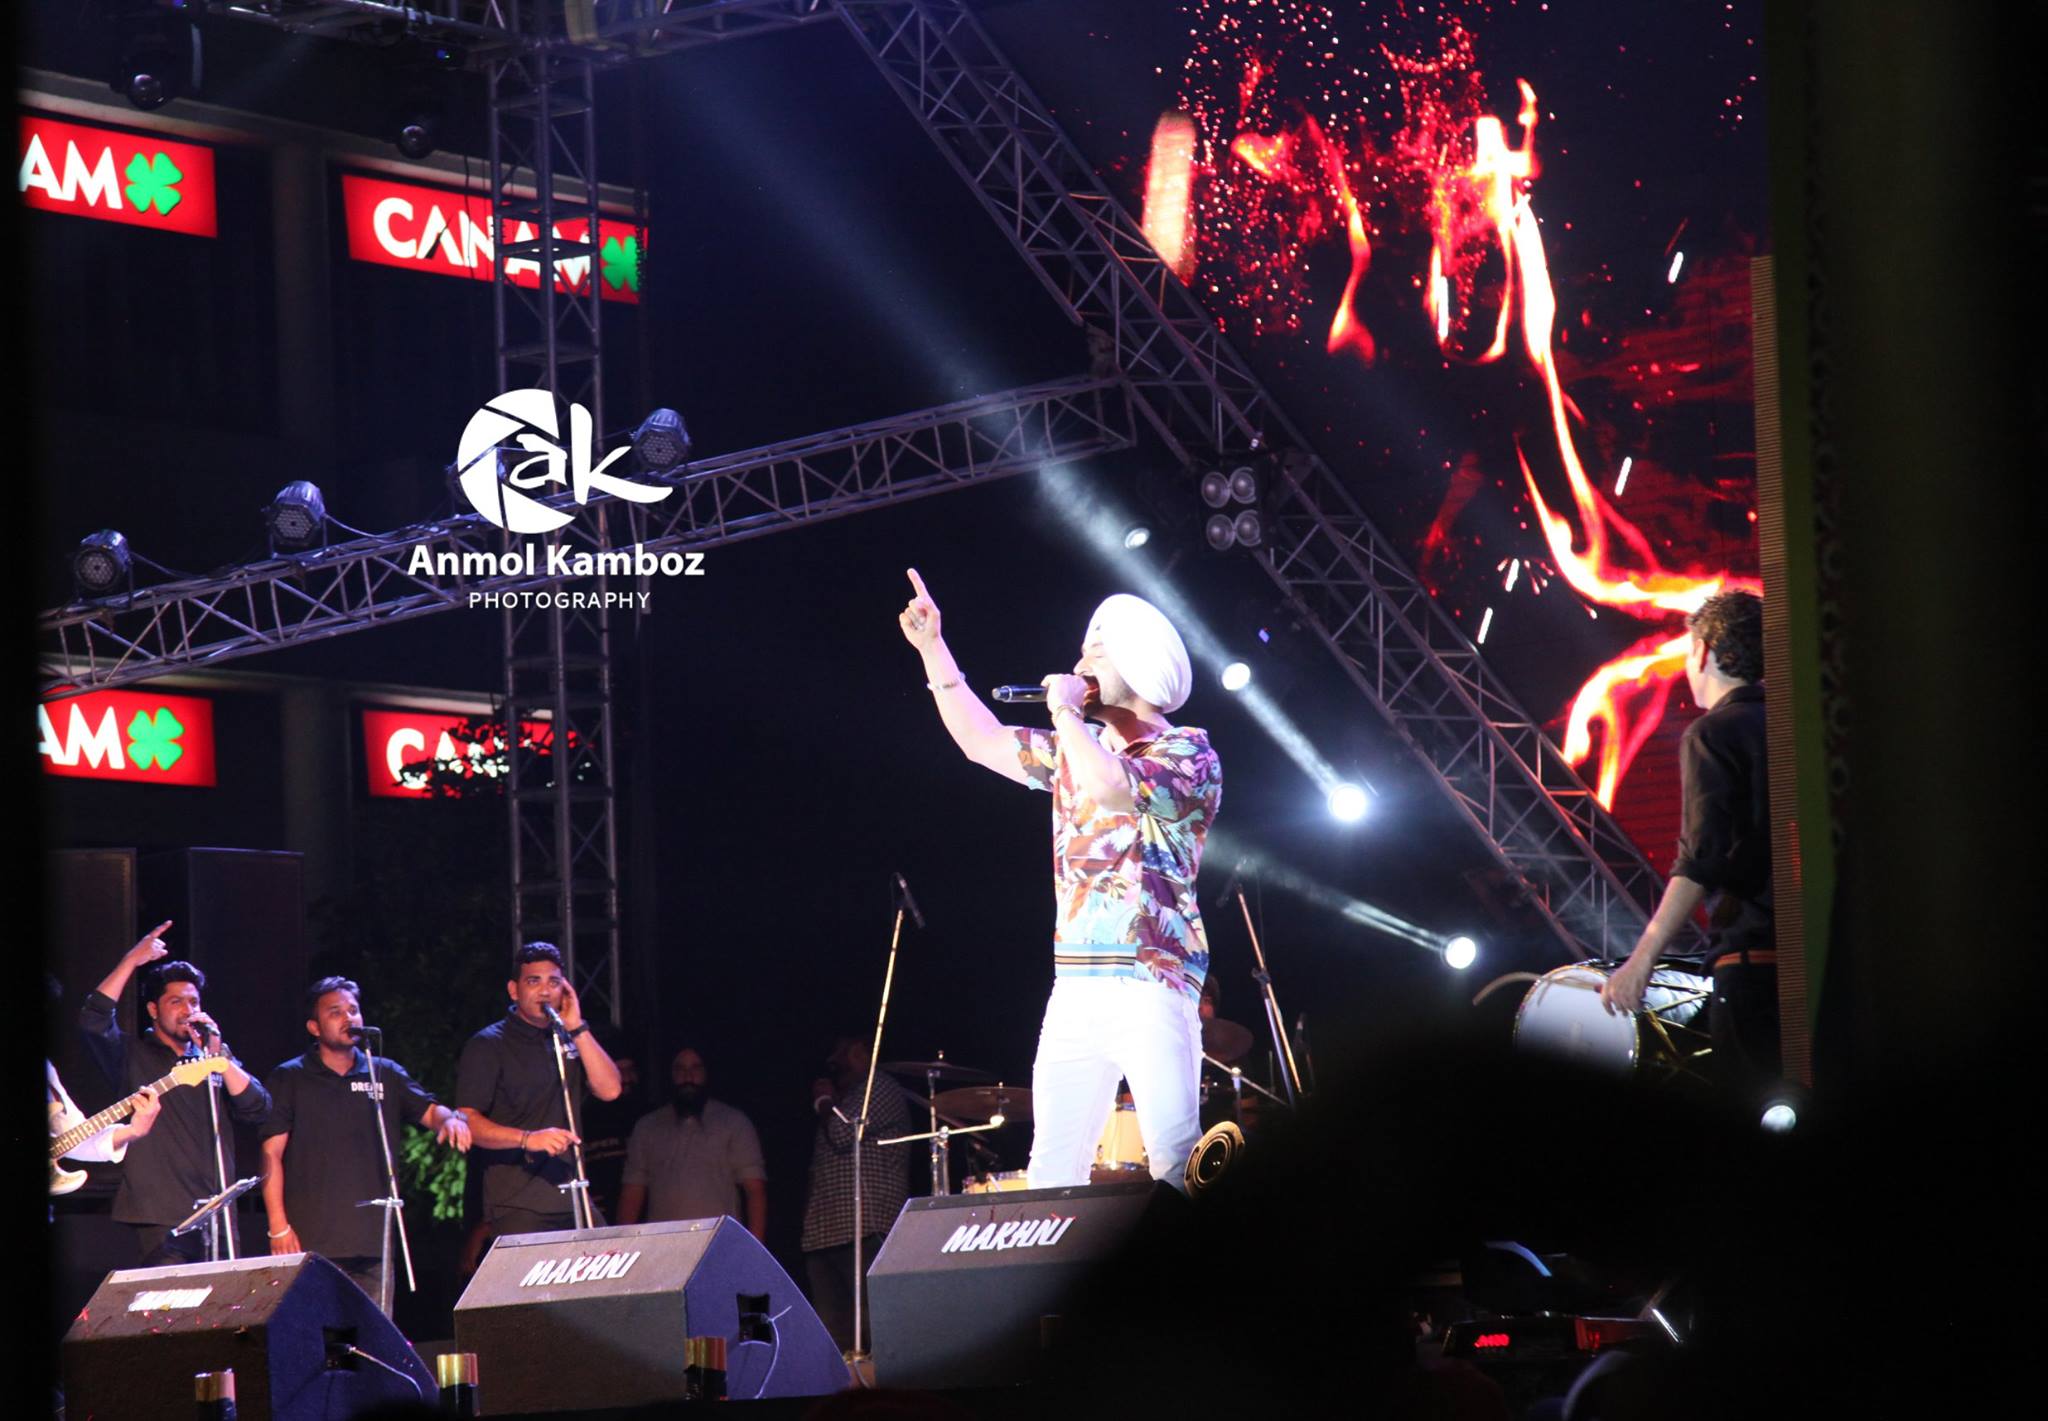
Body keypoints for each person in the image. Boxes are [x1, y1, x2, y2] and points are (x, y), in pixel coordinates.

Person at [898, 571, 1223, 1189]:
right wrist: (932, 649)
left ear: (1138, 665)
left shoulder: (1189, 753)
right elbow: (981, 741)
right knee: (1051, 1169)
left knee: (1175, 1161)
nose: (1078, 665)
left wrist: (1067, 713)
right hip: (1074, 985)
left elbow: (1112, 787)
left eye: (1094, 653)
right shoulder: (1076, 749)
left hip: (1151, 979)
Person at [1599, 590, 1779, 1103]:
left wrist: (1642, 960)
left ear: (1703, 651)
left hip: (1751, 964)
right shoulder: (1792, 727)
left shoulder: (1712, 733)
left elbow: (1701, 859)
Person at [259, 977, 471, 1308]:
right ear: (314, 1027)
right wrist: (278, 1226)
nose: (349, 1018)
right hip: (310, 1242)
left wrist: (451, 1119)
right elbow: (271, 1153)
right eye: (335, 1012)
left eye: (353, 1010)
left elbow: (431, 1111)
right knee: (319, 1332)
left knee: (373, 1333)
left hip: (374, 1243)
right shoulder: (290, 1077)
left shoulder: (383, 1072)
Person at [80, 922, 272, 1264]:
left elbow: (258, 1108)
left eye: (194, 1001)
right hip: (161, 1214)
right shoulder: (132, 1054)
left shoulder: (212, 1058)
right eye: (176, 1002)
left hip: (218, 1210)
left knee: (224, 1298)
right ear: (153, 1010)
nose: (188, 1010)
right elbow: (93, 1020)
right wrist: (131, 960)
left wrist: (220, 1057)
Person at [455, 943, 623, 1238]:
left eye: (554, 982)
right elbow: (466, 1121)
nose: (545, 992)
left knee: (613, 1259)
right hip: (520, 1203)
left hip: (574, 1194)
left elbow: (610, 1090)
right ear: (514, 990)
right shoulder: (489, 1044)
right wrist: (528, 1139)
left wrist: (577, 1027)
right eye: (534, 981)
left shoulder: (566, 1037)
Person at [800, 1035, 914, 1353]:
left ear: (862, 1052)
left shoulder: (880, 1086)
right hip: (825, 1234)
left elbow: (844, 1132)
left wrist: (824, 1101)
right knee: (835, 1343)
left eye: (843, 1053)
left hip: (865, 1230)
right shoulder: (848, 1097)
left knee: (873, 1336)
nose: (834, 1063)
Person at [616, 1048, 768, 1241]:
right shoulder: (647, 1127)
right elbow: (632, 1192)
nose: (688, 1077)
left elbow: (755, 1190)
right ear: (670, 1074)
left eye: (695, 1068)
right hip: (664, 1246)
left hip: (718, 1244)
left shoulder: (734, 1122)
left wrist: (754, 1249)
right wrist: (622, 1244)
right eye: (680, 1069)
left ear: (706, 1072)